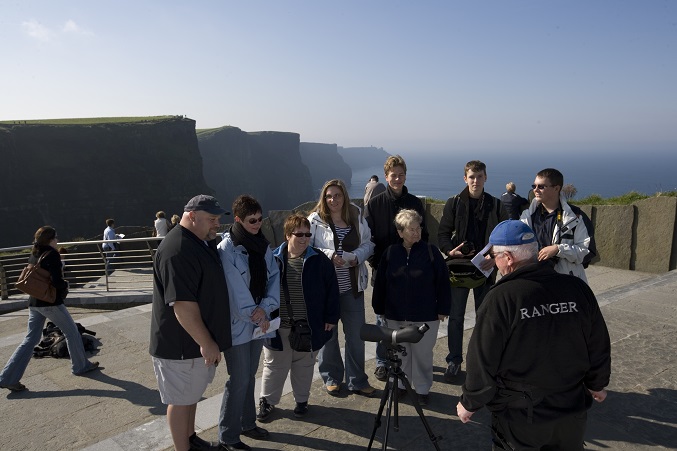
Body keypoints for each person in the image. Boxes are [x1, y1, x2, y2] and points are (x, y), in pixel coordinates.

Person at [456, 220, 611, 450]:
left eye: (495, 257)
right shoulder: (577, 288)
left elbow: (482, 358)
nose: (494, 264)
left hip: (522, 417)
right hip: (571, 410)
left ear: (508, 258)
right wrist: (597, 383)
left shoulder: (501, 298)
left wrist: (470, 402)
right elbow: (598, 342)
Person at [149, 194, 232, 451]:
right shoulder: (177, 250)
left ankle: (190, 439)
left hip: (193, 343)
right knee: (180, 400)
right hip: (180, 346)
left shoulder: (196, 241)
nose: (217, 224)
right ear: (192, 216)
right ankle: (182, 448)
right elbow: (182, 306)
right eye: (212, 219)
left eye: (218, 219)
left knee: (191, 395)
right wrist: (206, 343)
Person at [257, 213, 339, 422]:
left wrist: (330, 317)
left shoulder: (319, 260)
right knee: (275, 365)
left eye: (307, 234)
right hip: (279, 325)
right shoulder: (273, 260)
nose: (304, 239)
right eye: (299, 234)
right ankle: (267, 401)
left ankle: (301, 401)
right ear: (287, 235)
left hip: (308, 326)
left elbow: (332, 291)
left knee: (304, 366)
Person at [0, 226, 99, 393]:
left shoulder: (35, 252)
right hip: (50, 303)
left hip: (34, 302)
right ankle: (80, 366)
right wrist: (65, 287)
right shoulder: (52, 254)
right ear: (50, 239)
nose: (58, 239)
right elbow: (56, 281)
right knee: (72, 331)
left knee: (30, 339)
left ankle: (7, 377)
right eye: (56, 237)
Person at [217, 195, 280, 451]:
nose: (257, 224)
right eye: (252, 220)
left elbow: (274, 275)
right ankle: (228, 436)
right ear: (238, 219)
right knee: (238, 379)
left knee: (249, 377)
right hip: (238, 324)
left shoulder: (263, 246)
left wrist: (265, 309)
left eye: (260, 219)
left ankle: (247, 422)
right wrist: (256, 313)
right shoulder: (226, 250)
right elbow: (234, 290)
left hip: (258, 322)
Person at [438, 160, 508, 382]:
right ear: (465, 178)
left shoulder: (497, 206)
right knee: (456, 317)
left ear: (486, 178)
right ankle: (454, 361)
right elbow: (442, 234)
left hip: (485, 270)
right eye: (471, 177)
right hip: (458, 269)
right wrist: (451, 251)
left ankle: (482, 362)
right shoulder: (453, 203)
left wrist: (495, 257)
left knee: (485, 318)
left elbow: (505, 237)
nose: (475, 181)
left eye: (479, 176)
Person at [372, 209, 450, 406]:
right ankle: (399, 387)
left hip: (426, 315)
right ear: (400, 232)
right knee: (399, 354)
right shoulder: (390, 253)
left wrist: (443, 308)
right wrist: (378, 307)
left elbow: (443, 282)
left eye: (418, 228)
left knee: (423, 355)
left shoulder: (431, 252)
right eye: (411, 229)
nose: (417, 233)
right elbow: (381, 282)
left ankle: (422, 390)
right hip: (395, 314)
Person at [308, 179, 376, 397]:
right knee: (329, 335)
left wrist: (357, 257)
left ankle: (357, 380)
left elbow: (369, 243)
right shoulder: (314, 220)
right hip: (326, 291)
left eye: (337, 195)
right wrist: (329, 255)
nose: (333, 200)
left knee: (356, 335)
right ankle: (332, 377)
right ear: (324, 198)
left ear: (344, 196)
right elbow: (307, 248)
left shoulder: (356, 217)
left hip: (352, 288)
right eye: (329, 196)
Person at [365, 154, 428, 382]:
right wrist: (376, 263)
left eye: (401, 175)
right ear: (386, 176)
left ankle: (406, 359)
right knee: (382, 318)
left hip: (411, 269)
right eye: (394, 175)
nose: (398, 179)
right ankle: (382, 362)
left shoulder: (415, 203)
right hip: (383, 269)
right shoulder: (374, 205)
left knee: (408, 315)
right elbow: (368, 238)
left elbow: (425, 236)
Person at [520, 168, 591, 283]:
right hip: (534, 279)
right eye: (534, 186)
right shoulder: (527, 216)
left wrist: (558, 249)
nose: (535, 190)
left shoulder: (575, 216)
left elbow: (585, 253)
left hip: (566, 281)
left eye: (541, 186)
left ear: (556, 188)